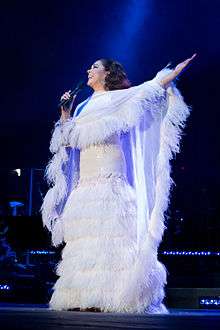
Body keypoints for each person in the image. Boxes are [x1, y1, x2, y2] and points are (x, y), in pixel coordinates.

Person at [41, 54, 196, 313]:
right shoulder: (83, 106)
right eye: (90, 66)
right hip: (87, 175)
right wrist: (65, 111)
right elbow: (68, 139)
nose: (89, 70)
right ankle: (86, 296)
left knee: (112, 231)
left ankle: (115, 295)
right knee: (87, 233)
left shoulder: (118, 98)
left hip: (109, 166)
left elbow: (152, 86)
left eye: (95, 67)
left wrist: (176, 70)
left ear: (107, 74)